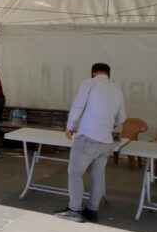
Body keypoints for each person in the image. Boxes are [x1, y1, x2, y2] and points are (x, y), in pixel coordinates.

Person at [54, 63, 126, 223]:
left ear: (93, 73)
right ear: (109, 74)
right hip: (106, 141)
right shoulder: (117, 89)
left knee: (75, 173)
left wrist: (69, 126)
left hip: (88, 137)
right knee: (98, 176)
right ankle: (93, 211)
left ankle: (74, 209)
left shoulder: (89, 83)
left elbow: (78, 105)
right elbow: (122, 118)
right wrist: (106, 124)